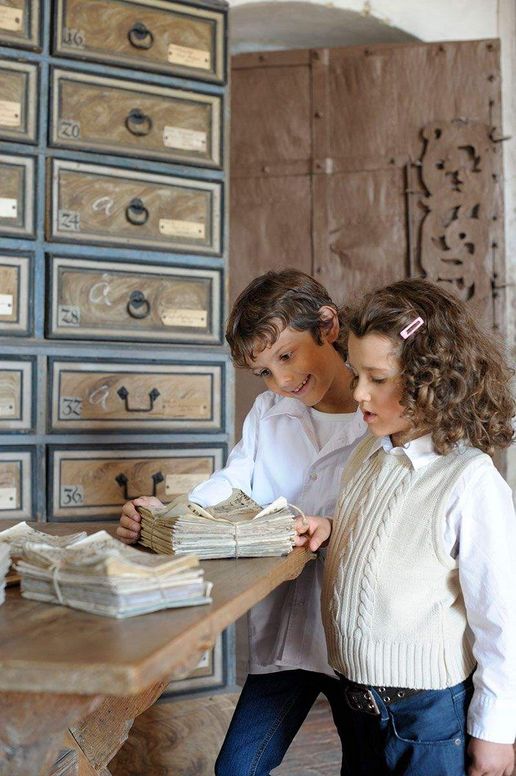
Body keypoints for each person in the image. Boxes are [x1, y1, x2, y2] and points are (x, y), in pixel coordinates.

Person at [116, 269, 366, 775]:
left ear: (328, 325)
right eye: (265, 371)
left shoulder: (380, 413)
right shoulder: (271, 412)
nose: (282, 381)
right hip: (285, 642)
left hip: (353, 644)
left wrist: (335, 526)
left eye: (287, 356)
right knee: (237, 768)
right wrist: (166, 517)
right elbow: (232, 486)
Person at [296, 278, 516, 776]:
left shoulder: (470, 481)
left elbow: (502, 621)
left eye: (377, 378)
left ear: (428, 379)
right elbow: (391, 537)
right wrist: (333, 528)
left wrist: (496, 731)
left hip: (427, 715)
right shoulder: (366, 455)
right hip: (358, 703)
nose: (358, 393)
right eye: (356, 374)